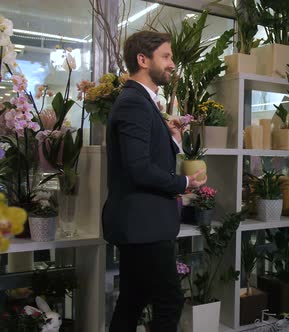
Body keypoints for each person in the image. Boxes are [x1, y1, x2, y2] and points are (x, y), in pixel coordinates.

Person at [102, 30, 205, 331]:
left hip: (140, 224)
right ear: (142, 60)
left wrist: (173, 142)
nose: (172, 63)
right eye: (166, 56)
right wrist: (183, 183)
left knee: (133, 298)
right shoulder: (134, 102)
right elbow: (139, 169)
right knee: (169, 301)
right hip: (143, 225)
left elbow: (142, 158)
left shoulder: (140, 101)